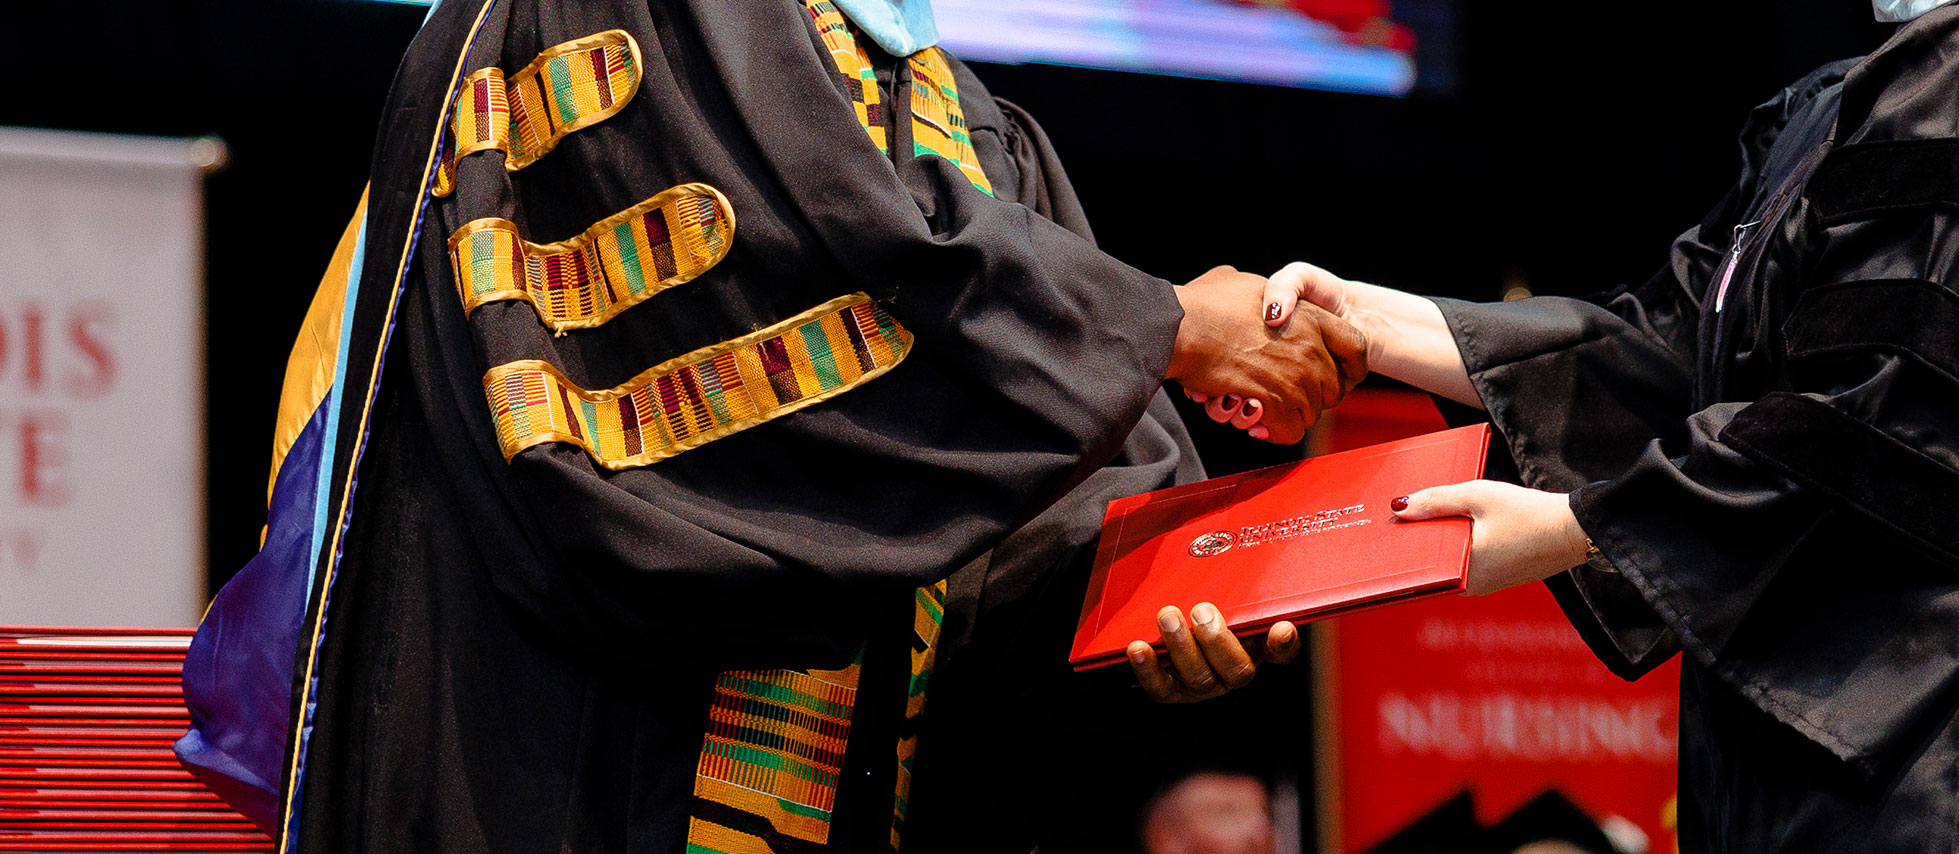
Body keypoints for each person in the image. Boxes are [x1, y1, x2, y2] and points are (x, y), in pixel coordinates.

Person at [175, 1, 1355, 853]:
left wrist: (1175, 581)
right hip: (586, 778)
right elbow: (797, 280)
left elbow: (1029, 465)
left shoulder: (949, 106)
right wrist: (1156, 324)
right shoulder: (617, 20)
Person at [1147, 0, 1959, 851]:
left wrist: (1571, 524)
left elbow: (1904, 431)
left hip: (1932, 760)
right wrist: (1371, 323)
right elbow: (1673, 350)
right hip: (1807, 752)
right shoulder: (1854, 98)